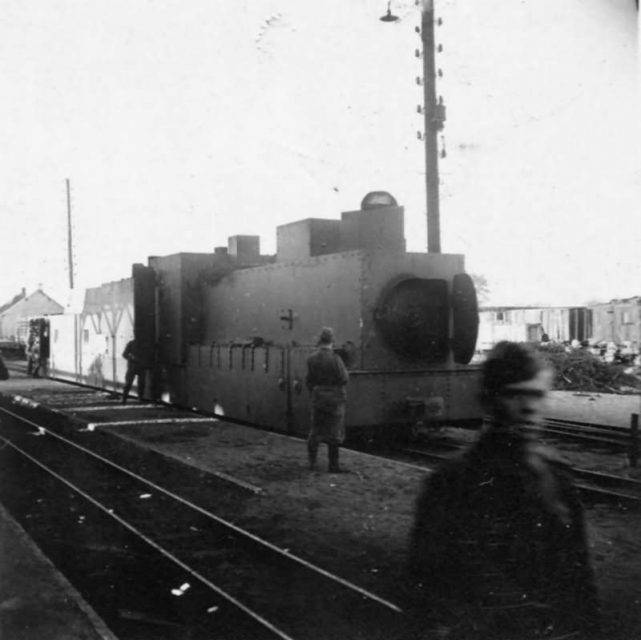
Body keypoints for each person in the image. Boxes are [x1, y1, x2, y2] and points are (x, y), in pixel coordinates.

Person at [408, 341, 599, 639]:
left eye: (536, 395)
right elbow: (426, 588)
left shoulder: (557, 476)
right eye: (515, 394)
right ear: (489, 399)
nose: (528, 407)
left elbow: (581, 584)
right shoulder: (452, 481)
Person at [305, 327, 349, 473]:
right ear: (331, 341)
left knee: (315, 432)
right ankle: (333, 466)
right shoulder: (336, 359)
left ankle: (312, 463)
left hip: (318, 398)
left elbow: (309, 380)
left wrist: (316, 392)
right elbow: (344, 379)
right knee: (334, 434)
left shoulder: (311, 359)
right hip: (335, 400)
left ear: (320, 341)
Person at [121, 339, 147, 404]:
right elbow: (124, 354)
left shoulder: (134, 343)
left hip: (138, 367)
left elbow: (124, 355)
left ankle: (139, 399)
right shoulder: (132, 343)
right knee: (129, 384)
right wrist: (131, 358)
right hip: (134, 367)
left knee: (140, 384)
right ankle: (124, 399)